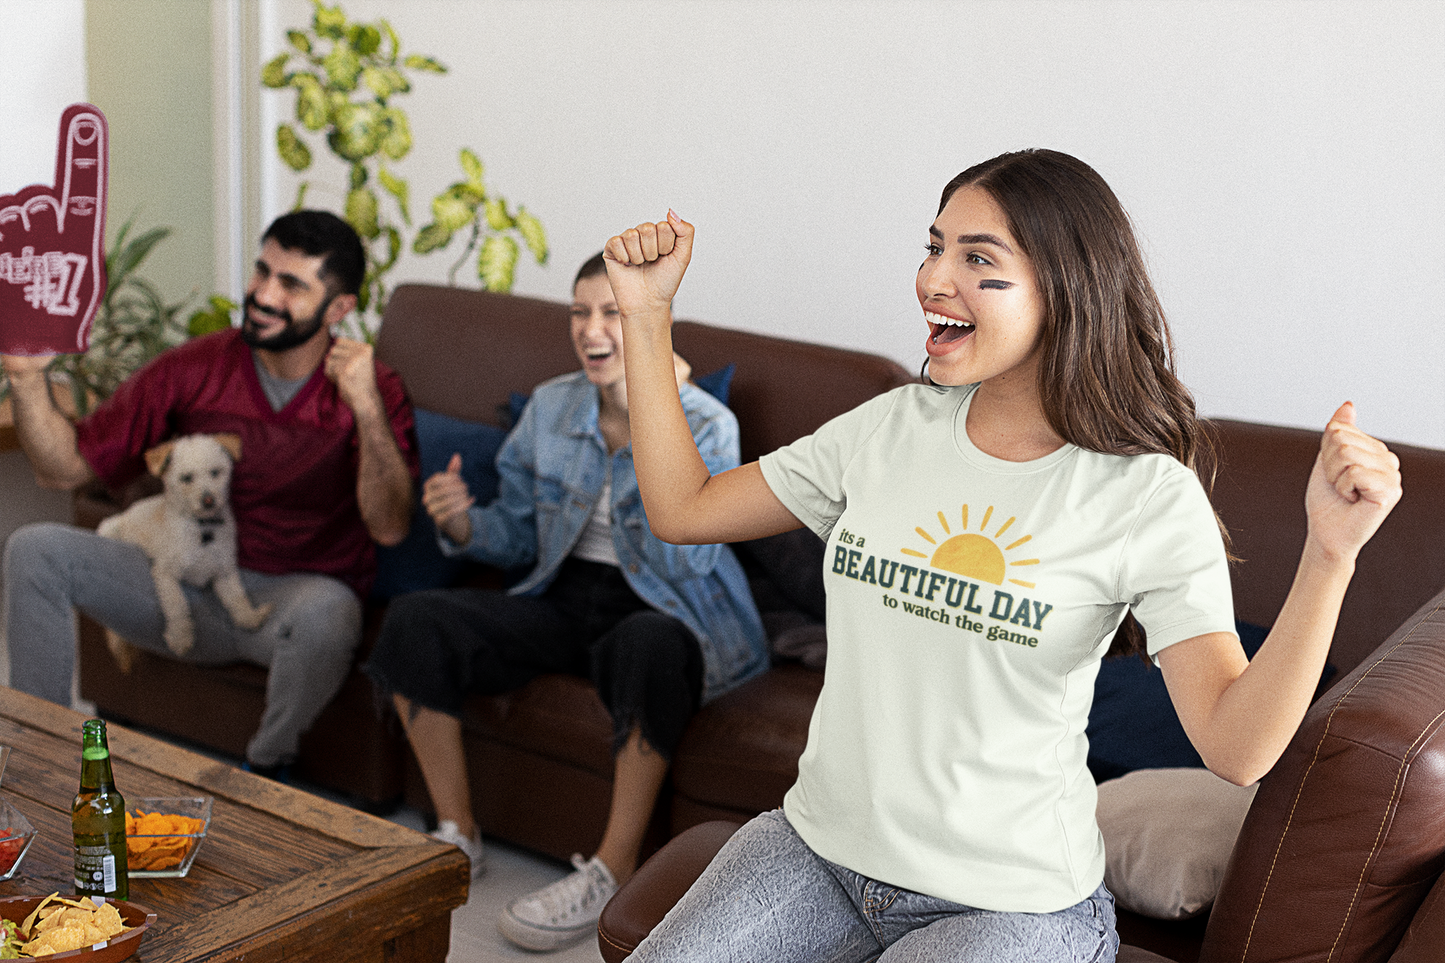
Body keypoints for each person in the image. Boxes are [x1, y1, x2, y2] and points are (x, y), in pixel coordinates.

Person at [601, 149, 1402, 962]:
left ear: (1065, 290)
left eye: (977, 258)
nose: (933, 277)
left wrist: (1329, 553)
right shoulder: (890, 428)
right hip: (819, 851)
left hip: (1012, 904)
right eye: (933, 246)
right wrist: (644, 314)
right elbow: (682, 506)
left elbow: (1237, 750)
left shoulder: (1143, 495)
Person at [362, 252, 768, 951]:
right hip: (563, 590)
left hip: (665, 601)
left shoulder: (703, 422)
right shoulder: (552, 406)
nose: (590, 328)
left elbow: (689, 555)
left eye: (611, 312)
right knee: (416, 620)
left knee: (650, 646)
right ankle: (455, 836)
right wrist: (461, 521)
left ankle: (612, 869)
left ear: (648, 323)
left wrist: (651, 415)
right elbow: (519, 534)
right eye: (579, 313)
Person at [2, 209, 417, 778]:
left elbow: (390, 526)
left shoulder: (375, 389)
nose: (263, 294)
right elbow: (66, 469)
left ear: (339, 309)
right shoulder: (196, 366)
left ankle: (268, 772)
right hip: (181, 589)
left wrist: (366, 407)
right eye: (261, 272)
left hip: (285, 610)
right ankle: (38, 764)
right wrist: (27, 382)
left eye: (291, 284)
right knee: (34, 548)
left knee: (330, 612)